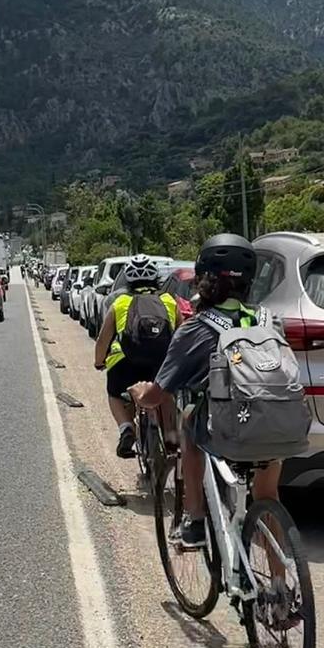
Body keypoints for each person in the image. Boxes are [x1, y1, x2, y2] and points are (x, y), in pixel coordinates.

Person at [131, 234, 281, 549]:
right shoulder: (270, 320)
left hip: (228, 430)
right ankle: (281, 577)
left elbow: (158, 394)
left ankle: (195, 519)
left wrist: (140, 394)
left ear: (203, 279)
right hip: (278, 424)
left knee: (188, 421)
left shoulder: (196, 328)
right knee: (268, 497)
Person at [94, 256, 180, 458]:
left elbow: (103, 339)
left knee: (114, 394)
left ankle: (126, 427)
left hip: (126, 362)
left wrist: (99, 362)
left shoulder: (120, 302)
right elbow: (182, 334)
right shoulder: (169, 301)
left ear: (128, 281)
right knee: (166, 393)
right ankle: (171, 437)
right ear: (156, 278)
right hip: (160, 362)